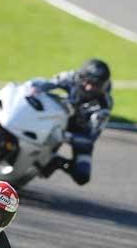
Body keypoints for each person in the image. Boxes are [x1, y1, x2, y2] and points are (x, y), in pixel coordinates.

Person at [33, 58, 113, 186]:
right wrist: (34, 89)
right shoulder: (71, 77)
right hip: (59, 118)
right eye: (88, 82)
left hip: (79, 133)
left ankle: (57, 161)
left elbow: (91, 138)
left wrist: (66, 137)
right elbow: (48, 84)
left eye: (96, 85)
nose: (89, 87)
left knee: (82, 175)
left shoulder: (104, 105)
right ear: (82, 77)